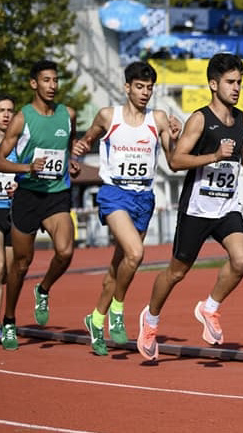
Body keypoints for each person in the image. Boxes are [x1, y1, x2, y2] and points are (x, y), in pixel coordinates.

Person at [136, 53, 243, 361]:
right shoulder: (200, 119)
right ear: (213, 84)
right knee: (177, 272)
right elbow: (175, 160)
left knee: (242, 258)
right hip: (197, 207)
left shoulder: (241, 118)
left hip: (227, 206)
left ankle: (209, 308)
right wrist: (214, 157)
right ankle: (150, 320)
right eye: (230, 82)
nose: (236, 88)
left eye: (239, 82)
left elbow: (239, 146)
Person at [72, 61, 181, 356]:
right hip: (114, 194)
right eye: (139, 87)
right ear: (127, 87)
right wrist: (80, 147)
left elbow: (173, 159)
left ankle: (95, 319)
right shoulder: (109, 116)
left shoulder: (157, 119)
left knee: (117, 267)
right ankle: (118, 311)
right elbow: (87, 138)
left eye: (149, 88)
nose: (145, 93)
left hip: (143, 198)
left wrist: (176, 134)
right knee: (135, 253)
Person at [0, 60, 81, 351]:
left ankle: (43, 289)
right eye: (46, 80)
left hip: (56, 194)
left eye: (55, 80)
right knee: (20, 263)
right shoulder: (21, 118)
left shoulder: (68, 114)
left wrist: (72, 161)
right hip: (29, 196)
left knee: (66, 251)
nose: (52, 85)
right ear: (34, 84)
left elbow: (69, 144)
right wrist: (27, 167)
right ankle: (8, 319)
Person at [0, 94, 16, 345]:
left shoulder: (20, 146)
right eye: (1, 110)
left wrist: (20, 184)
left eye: (10, 110)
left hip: (14, 212)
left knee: (8, 272)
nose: (6, 115)